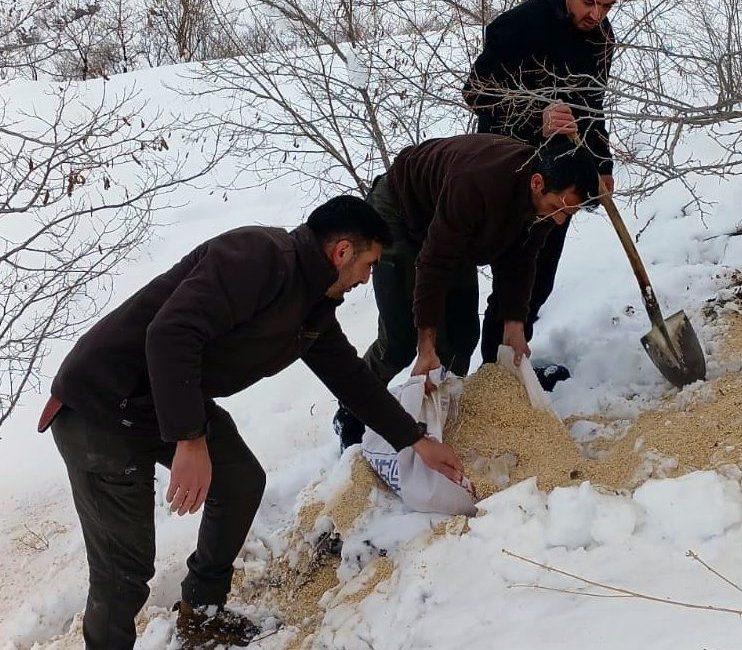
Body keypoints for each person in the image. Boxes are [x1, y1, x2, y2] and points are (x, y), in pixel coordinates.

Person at [36, 196, 464, 648]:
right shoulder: (257, 258)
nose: (366, 278)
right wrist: (189, 438)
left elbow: (353, 380)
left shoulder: (312, 307)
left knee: (239, 480)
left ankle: (201, 612)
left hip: (166, 397)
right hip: (101, 406)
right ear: (342, 252)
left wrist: (416, 440)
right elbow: (170, 333)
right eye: (369, 265)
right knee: (124, 570)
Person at [333, 133, 598, 448]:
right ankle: (351, 411)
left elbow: (522, 259)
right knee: (401, 340)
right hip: (400, 213)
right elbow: (434, 263)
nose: (560, 220)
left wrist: (514, 324)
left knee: (461, 336)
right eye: (558, 208)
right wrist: (426, 345)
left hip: (451, 226)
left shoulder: (548, 205)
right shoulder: (478, 183)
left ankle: (441, 414)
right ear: (537, 183)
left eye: (569, 213)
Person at [463, 0, 617, 386]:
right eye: (590, 2)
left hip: (563, 176)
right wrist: (539, 115)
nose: (596, 15)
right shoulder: (519, 26)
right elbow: (477, 93)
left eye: (608, 6)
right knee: (513, 277)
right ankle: (496, 378)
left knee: (538, 280)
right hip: (509, 172)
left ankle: (510, 367)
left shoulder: (600, 38)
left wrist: (602, 164)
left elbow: (592, 108)